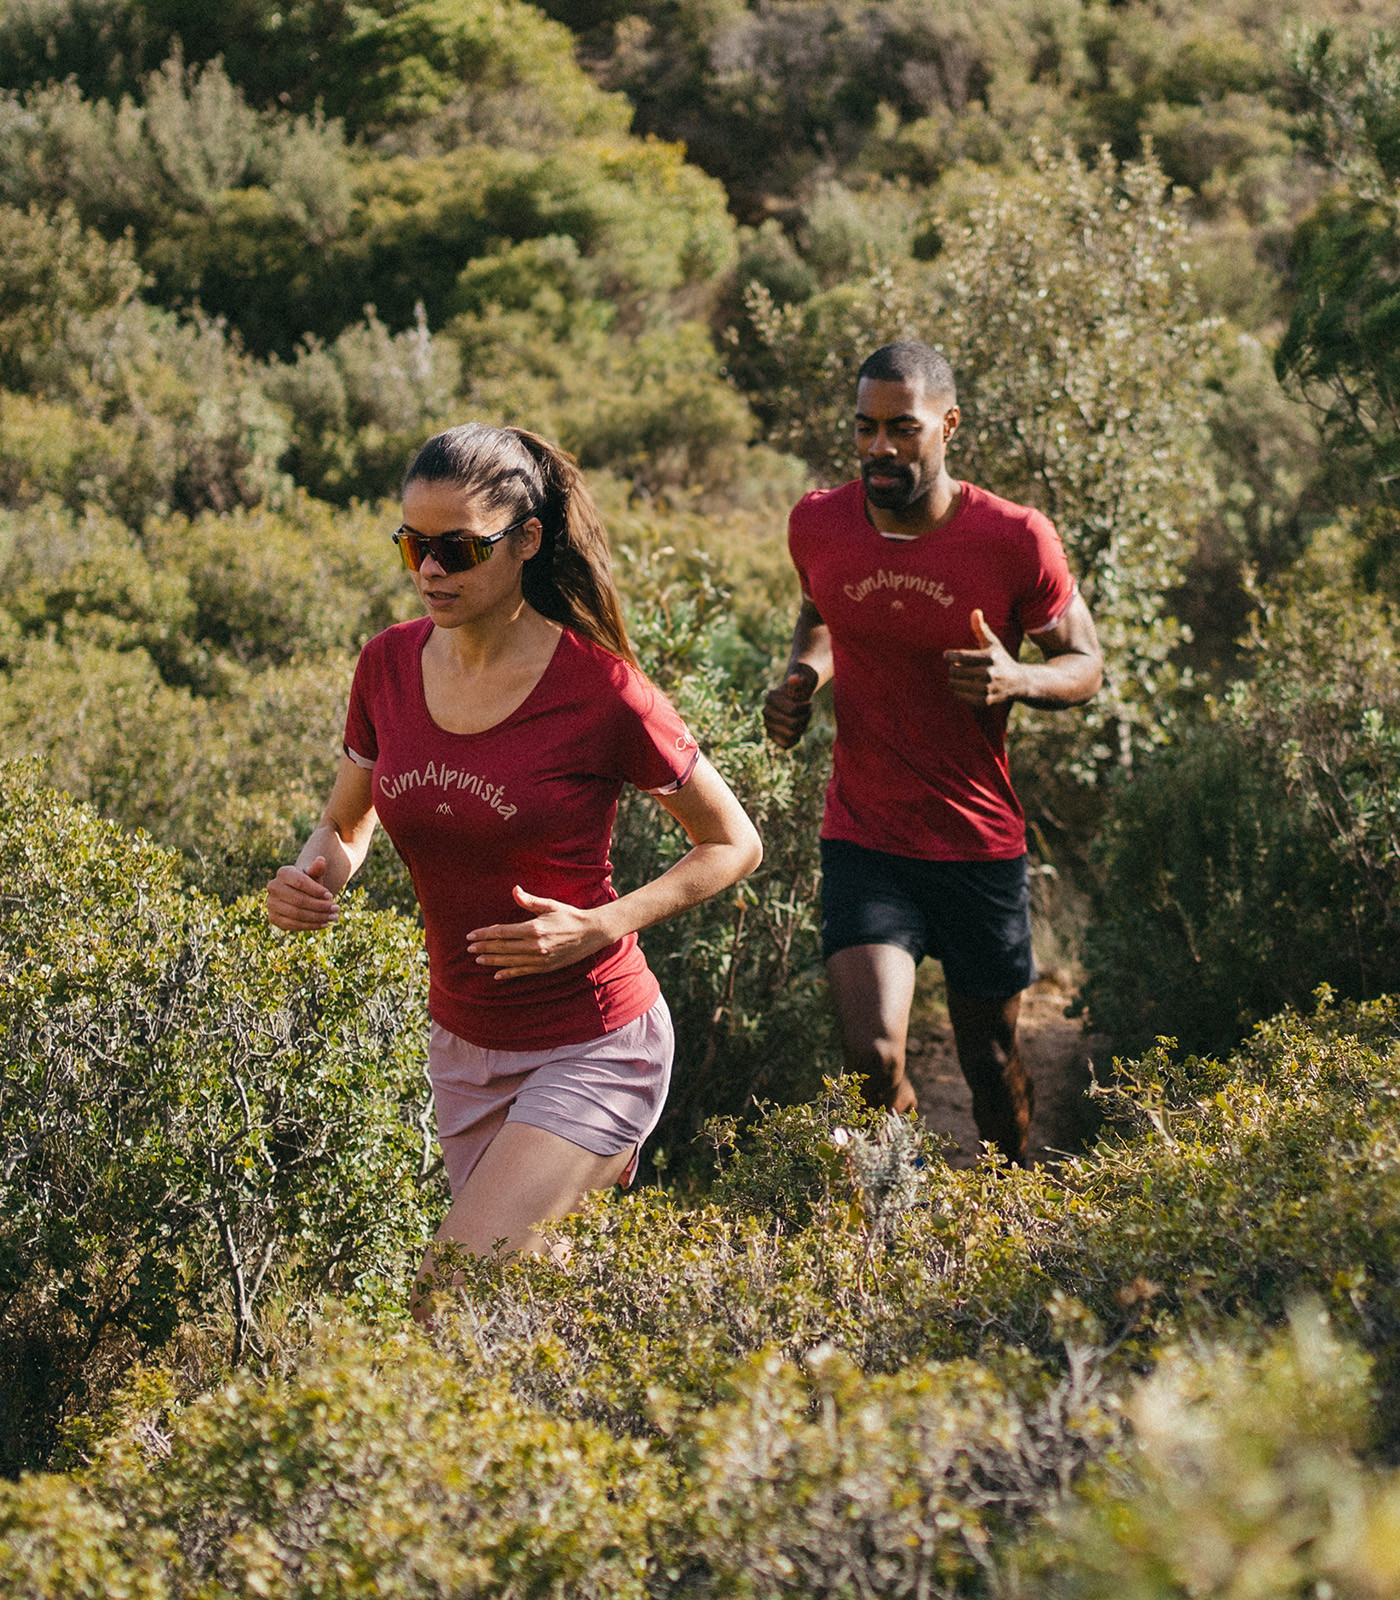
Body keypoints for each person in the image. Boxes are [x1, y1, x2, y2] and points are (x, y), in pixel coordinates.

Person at [267, 423, 762, 1299]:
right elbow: (344, 825)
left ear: (527, 540)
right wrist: (314, 877)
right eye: (414, 546)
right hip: (463, 1046)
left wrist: (600, 925)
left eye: (458, 548)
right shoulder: (386, 666)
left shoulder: (603, 692)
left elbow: (734, 842)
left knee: (450, 1291)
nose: (431, 570)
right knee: (518, 1315)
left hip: (596, 1043)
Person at [762, 342, 1102, 1166]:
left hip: (977, 843)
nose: (879, 447)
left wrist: (1017, 677)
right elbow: (821, 613)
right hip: (866, 836)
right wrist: (803, 675)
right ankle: (904, 1207)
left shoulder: (1015, 538)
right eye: (865, 428)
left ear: (948, 426)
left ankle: (1013, 1190)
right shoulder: (819, 522)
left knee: (989, 1058)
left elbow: (1085, 665)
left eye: (902, 429)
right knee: (872, 1057)